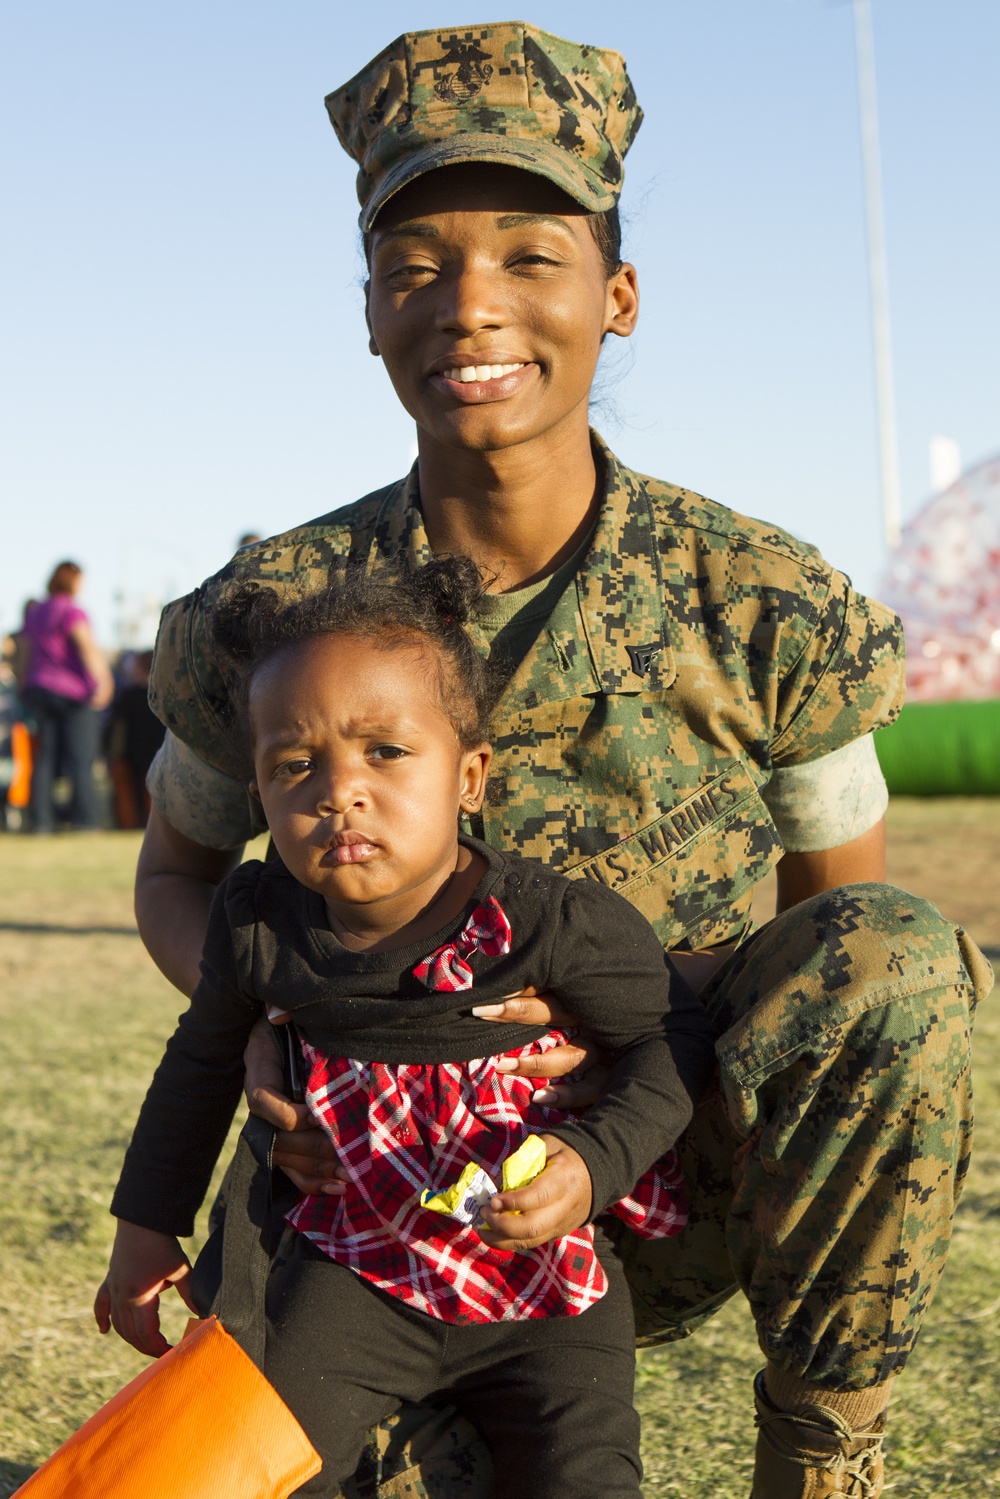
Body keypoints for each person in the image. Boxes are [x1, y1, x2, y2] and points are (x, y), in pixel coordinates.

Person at [121, 22, 991, 1498]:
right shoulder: (271, 616)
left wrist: (634, 1071)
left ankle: (824, 1449)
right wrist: (285, 1016)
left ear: (618, 295)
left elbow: (835, 918)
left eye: (531, 254)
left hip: (665, 1162)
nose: (471, 306)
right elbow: (174, 875)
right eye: (414, 266)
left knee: (893, 958)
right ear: (370, 313)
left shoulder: (759, 596)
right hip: (378, 1204)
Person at [98, 557, 715, 1498]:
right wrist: (145, 1230)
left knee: (584, 1476)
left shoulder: (550, 922)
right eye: (294, 764)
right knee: (265, 1462)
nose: (337, 791)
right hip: (351, 1268)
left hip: (546, 1283)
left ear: (469, 776)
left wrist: (594, 1163)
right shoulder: (260, 921)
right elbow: (199, 1064)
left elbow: (670, 1041)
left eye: (384, 751)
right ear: (258, 793)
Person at [19, 561, 114, 833]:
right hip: (73, 694)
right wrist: (104, 681)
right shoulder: (72, 611)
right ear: (71, 581)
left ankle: (41, 821)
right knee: (81, 757)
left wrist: (25, 683)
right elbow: (85, 646)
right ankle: (86, 820)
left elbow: (25, 652)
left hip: (40, 690)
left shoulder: (36, 612)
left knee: (45, 757)